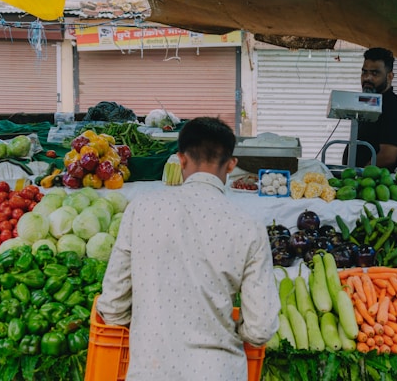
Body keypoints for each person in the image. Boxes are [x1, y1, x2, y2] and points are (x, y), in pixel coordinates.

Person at [96, 117, 280, 381]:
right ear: (231, 165)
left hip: (150, 371)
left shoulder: (142, 209)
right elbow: (260, 329)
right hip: (219, 372)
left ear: (180, 160)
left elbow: (112, 305)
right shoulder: (249, 227)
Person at [342, 47, 397, 171]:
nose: (367, 78)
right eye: (364, 72)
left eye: (375, 73)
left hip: (372, 184)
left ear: (390, 77)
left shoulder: (393, 108)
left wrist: (360, 176)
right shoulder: (370, 103)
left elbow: (388, 156)